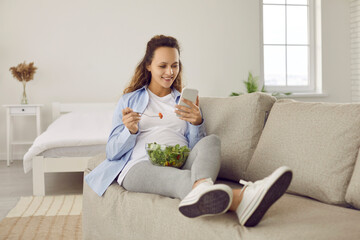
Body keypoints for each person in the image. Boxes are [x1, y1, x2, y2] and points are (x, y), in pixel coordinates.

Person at [85, 35, 293, 227]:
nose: (170, 72)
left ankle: (210, 191)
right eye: (163, 66)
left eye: (174, 65)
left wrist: (196, 123)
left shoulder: (185, 101)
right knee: (182, 180)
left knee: (211, 141)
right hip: (139, 166)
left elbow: (197, 150)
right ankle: (243, 197)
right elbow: (112, 153)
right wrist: (129, 131)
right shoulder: (129, 100)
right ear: (148, 65)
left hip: (180, 162)